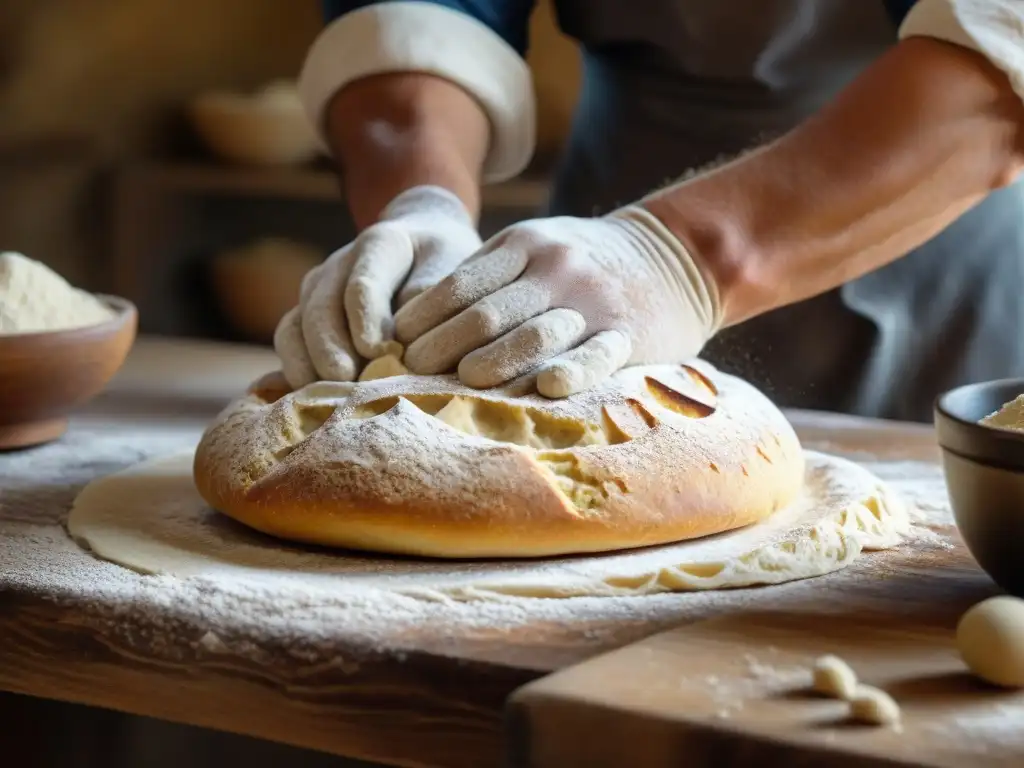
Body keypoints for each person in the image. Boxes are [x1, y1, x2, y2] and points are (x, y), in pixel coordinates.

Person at [276, 0, 1024, 423]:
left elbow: (998, 50)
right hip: (586, 262)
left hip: (935, 229)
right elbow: (422, 12)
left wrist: (677, 258)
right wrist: (421, 197)